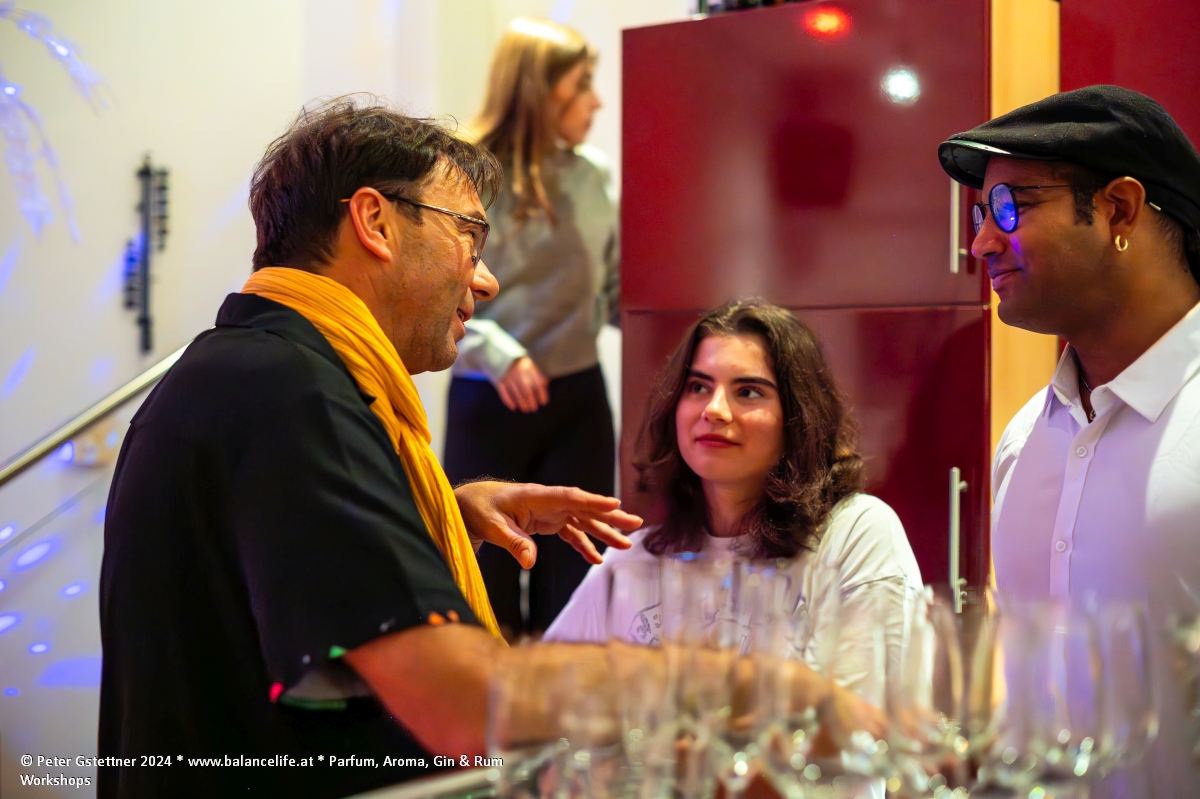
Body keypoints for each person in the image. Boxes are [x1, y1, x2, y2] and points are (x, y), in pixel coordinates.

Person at [98, 101, 874, 799]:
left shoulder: (246, 366)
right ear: (374, 222)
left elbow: (278, 592)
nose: (487, 280)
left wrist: (438, 513)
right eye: (470, 235)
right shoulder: (296, 395)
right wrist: (765, 692)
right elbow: (468, 704)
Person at [939, 85, 1200, 797]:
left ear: (1119, 209)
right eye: (980, 214)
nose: (982, 241)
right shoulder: (1027, 437)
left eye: (1011, 206)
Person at [546, 300, 923, 710]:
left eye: (748, 392)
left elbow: (862, 728)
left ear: (798, 416)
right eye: (698, 387)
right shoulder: (635, 557)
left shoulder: (857, 535)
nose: (715, 410)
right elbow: (542, 699)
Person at [444, 17, 619, 638]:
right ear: (540, 89)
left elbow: (613, 288)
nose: (597, 101)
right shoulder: (463, 174)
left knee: (577, 589)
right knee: (483, 589)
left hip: (578, 402)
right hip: (489, 402)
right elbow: (440, 287)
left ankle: (561, 705)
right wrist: (496, 351)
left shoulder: (593, 175)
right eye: (583, 85)